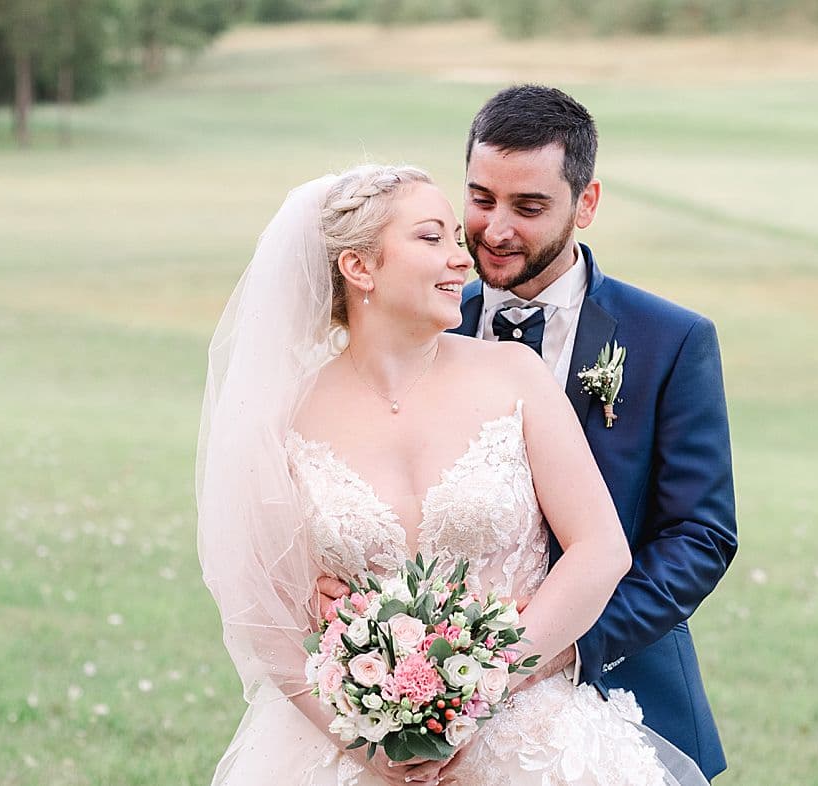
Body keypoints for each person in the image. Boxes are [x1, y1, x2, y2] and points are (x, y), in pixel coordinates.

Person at [197, 164, 710, 785]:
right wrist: (369, 747)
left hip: (525, 734)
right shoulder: (285, 415)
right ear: (359, 267)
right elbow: (262, 613)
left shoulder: (514, 373)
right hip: (347, 747)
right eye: (430, 238)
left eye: (451, 238)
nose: (461, 258)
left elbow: (600, 547)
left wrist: (478, 697)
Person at [449, 85, 738, 780]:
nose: (495, 229)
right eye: (482, 198)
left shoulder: (671, 340)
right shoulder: (425, 326)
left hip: (619, 686)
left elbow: (701, 535)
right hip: (447, 687)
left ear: (587, 203)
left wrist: (567, 645)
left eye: (528, 206)